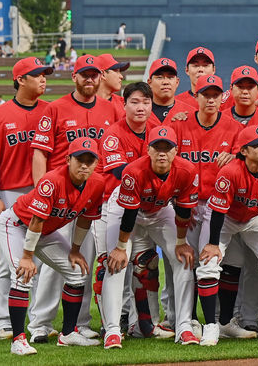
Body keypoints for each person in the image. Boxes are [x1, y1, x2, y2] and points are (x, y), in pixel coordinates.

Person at [27, 54, 115, 342]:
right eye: (83, 74)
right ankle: (40, 323)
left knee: (83, 259)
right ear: (73, 77)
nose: (89, 79)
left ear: (100, 77)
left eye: (94, 74)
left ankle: (78, 323)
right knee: (55, 265)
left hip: (90, 196)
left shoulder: (109, 109)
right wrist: (44, 191)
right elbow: (40, 152)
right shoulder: (55, 108)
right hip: (61, 196)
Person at [0, 137, 104, 355]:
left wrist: (75, 250)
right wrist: (27, 256)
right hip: (16, 225)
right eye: (79, 159)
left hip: (45, 232)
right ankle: (18, 340)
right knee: (22, 275)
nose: (84, 164)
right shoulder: (52, 180)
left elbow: (85, 218)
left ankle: (67, 334)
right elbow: (36, 220)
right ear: (68, 159)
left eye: (89, 160)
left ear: (95, 163)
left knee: (76, 274)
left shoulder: (97, 184)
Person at [101, 124, 200, 348]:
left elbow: (184, 210)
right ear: (149, 150)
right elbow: (129, 214)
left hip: (160, 209)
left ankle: (184, 326)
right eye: (157, 147)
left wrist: (182, 243)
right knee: (116, 264)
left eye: (168, 147)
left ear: (176, 151)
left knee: (184, 259)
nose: (162, 152)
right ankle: (113, 330)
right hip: (124, 209)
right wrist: (120, 247)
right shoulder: (133, 171)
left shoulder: (187, 170)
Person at [0, 57, 53, 340]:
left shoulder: (50, 110)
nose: (44, 79)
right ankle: (4, 321)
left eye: (45, 74)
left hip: (43, 191)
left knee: (42, 260)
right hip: (11, 191)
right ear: (20, 80)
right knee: (8, 261)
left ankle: (37, 321)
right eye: (37, 75)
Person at [197, 125, 258, 345]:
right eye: (257, 145)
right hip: (224, 217)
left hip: (254, 218)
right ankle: (212, 326)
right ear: (244, 151)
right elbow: (219, 212)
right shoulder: (230, 172)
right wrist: (213, 244)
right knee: (209, 263)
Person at [173, 74, 243, 332]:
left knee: (213, 262)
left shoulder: (234, 127)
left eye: (215, 95)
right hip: (187, 204)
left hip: (217, 205)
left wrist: (235, 156)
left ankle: (222, 322)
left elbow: (242, 164)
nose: (211, 100)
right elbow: (170, 167)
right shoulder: (179, 125)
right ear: (196, 97)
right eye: (206, 95)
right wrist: (179, 204)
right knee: (186, 264)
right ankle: (188, 319)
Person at [95, 81, 163, 339]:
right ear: (124, 105)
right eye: (134, 102)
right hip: (112, 205)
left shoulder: (158, 130)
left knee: (146, 265)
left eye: (146, 102)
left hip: (146, 206)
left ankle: (143, 324)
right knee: (110, 266)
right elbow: (122, 174)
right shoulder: (113, 134)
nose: (141, 107)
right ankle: (109, 326)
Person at [148, 57, 181, 121]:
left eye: (170, 77)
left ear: (177, 82)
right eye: (159, 77)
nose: (165, 82)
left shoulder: (189, 113)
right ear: (150, 82)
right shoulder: (140, 113)